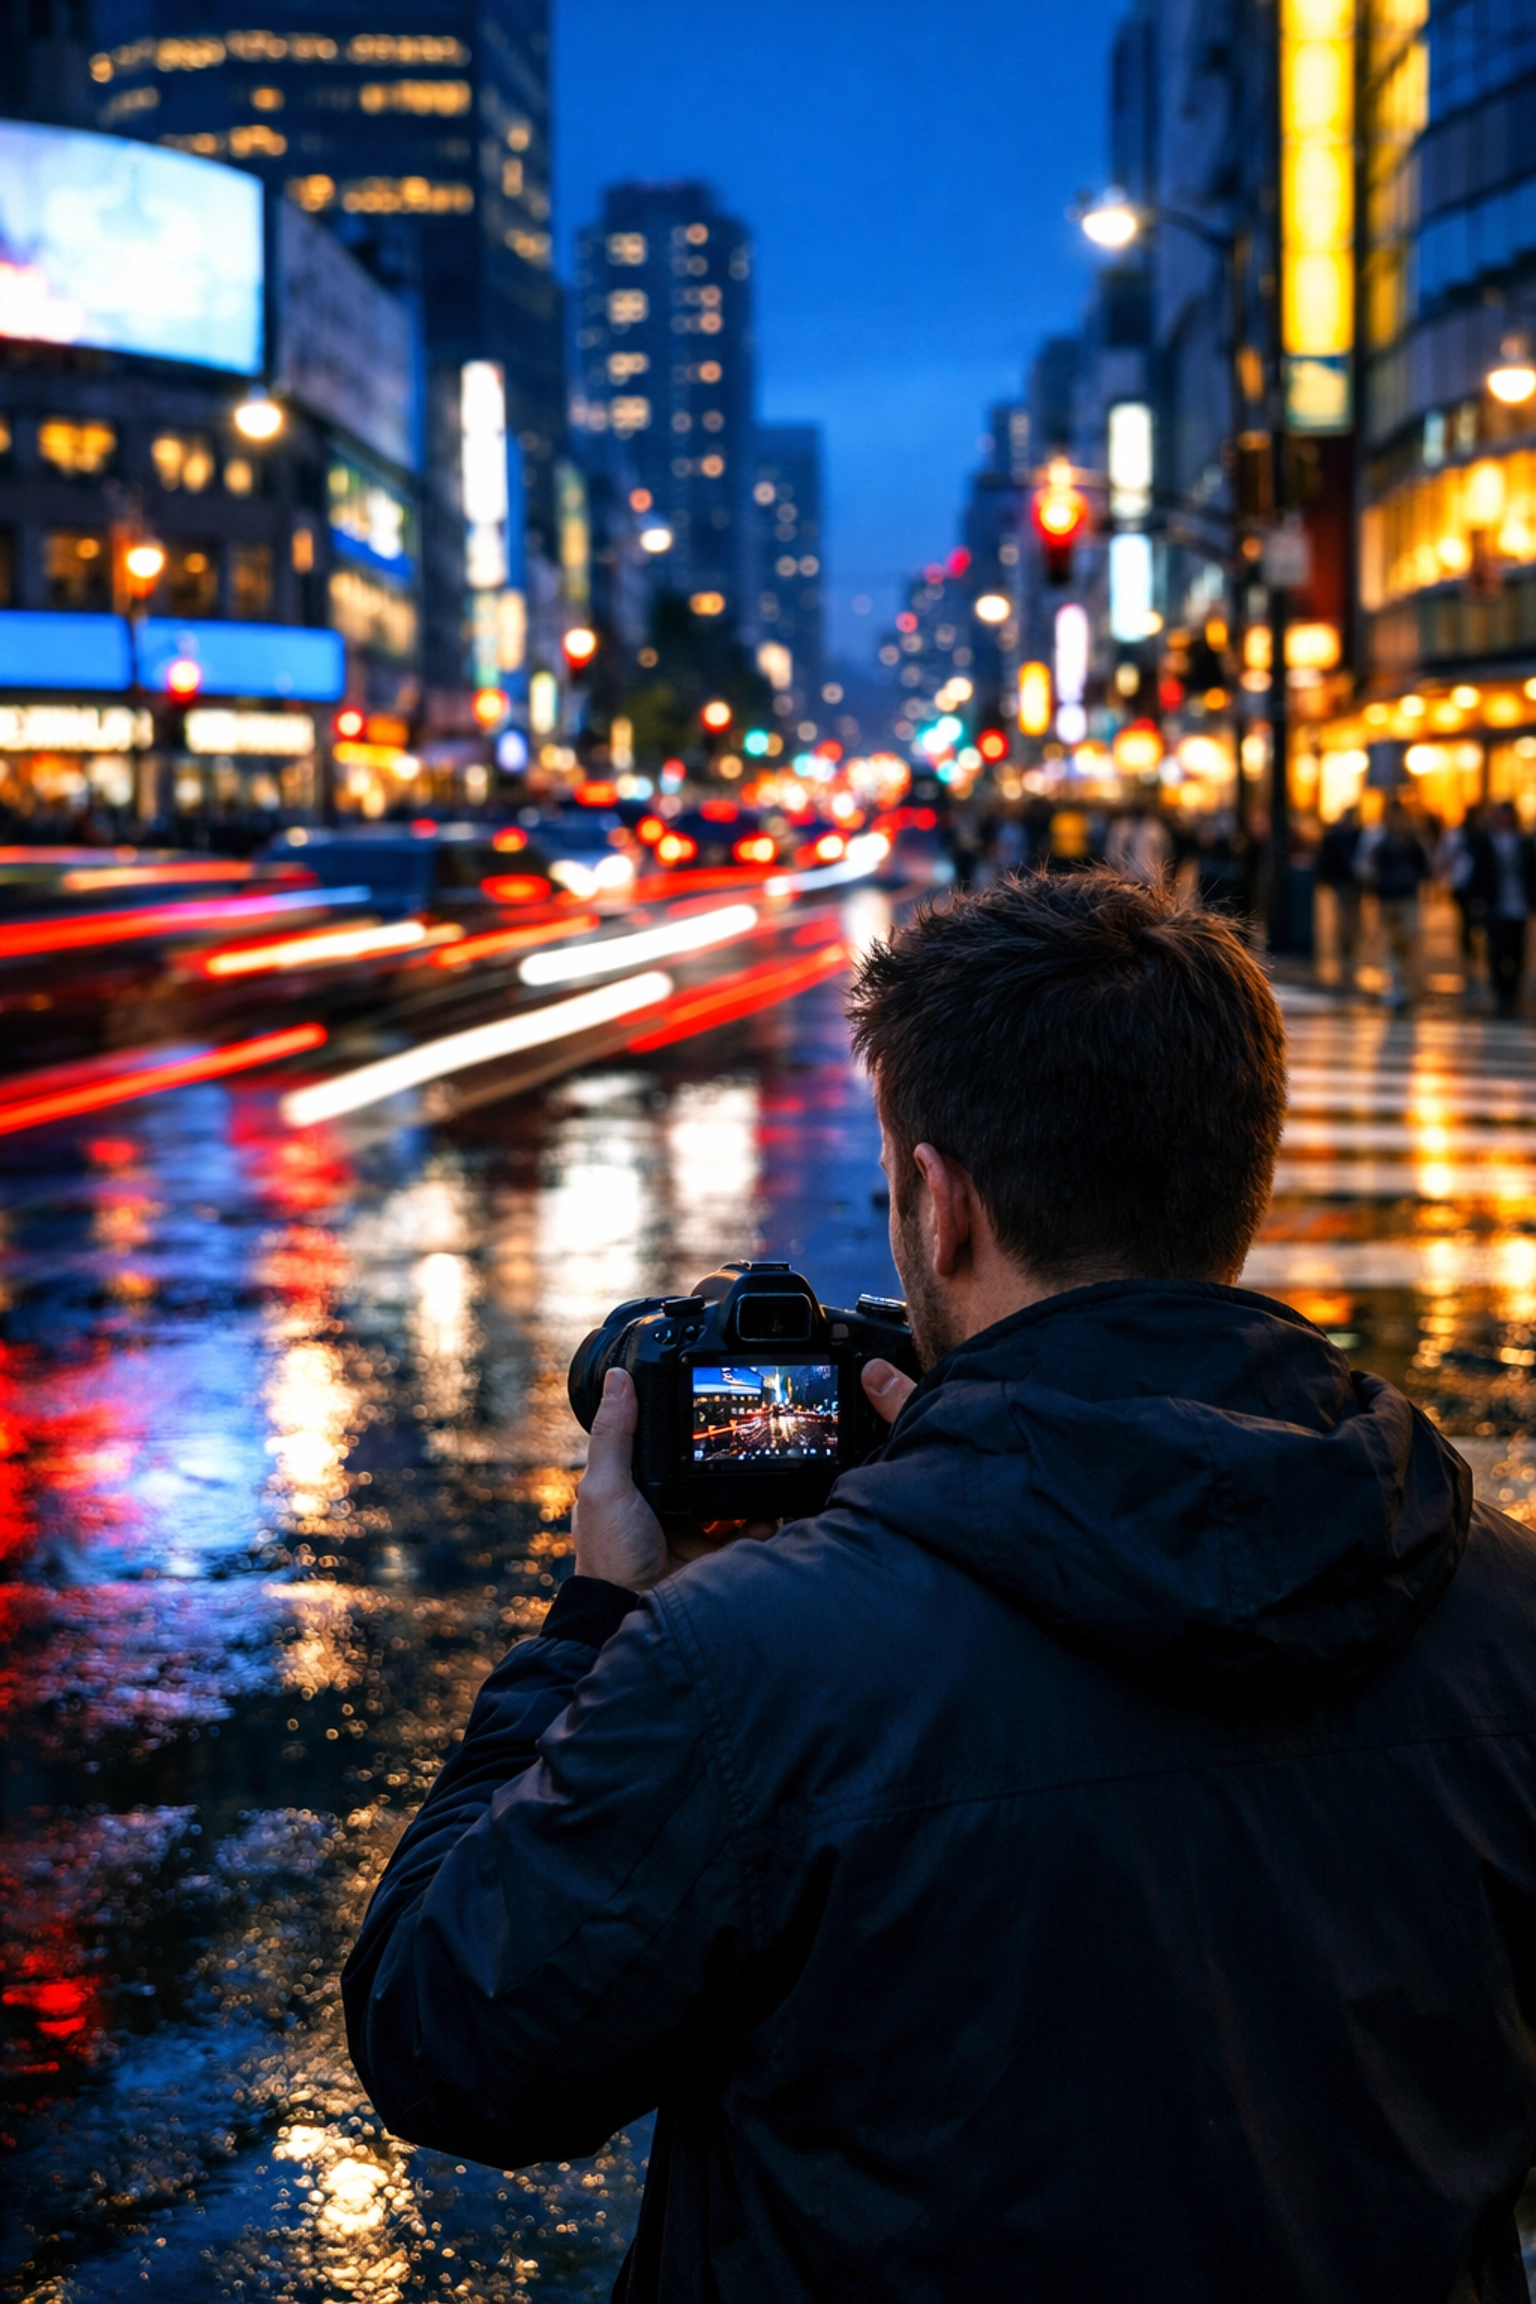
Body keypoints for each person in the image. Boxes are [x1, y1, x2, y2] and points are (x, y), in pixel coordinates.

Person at [343, 871, 1536, 2304]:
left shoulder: (741, 1661)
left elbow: (445, 2038)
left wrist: (596, 1626)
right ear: (1239, 1173)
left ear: (937, 1199)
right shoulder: (1506, 1606)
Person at [1355, 796, 1429, 1008]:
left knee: (1408, 942)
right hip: (1388, 897)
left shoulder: (1412, 838)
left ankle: (1406, 986)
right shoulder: (1378, 837)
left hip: (1406, 896)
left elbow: (1424, 866)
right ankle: (1395, 986)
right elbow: (1365, 866)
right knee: (1391, 944)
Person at [1469, 799, 1536, 1018]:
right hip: (1495, 905)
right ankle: (1501, 996)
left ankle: (1512, 996)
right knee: (1496, 951)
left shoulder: (1523, 842)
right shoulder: (1487, 841)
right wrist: (1478, 899)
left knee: (1517, 952)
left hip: (1518, 905)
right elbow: (1478, 872)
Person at [1313, 803, 1363, 988]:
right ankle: (1345, 949)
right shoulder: (1350, 835)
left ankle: (1348, 948)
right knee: (1346, 917)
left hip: (1350, 882)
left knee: (1350, 917)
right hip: (1344, 881)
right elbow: (1326, 857)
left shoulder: (1355, 835)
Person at [1105, 797, 1174, 884]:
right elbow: (1111, 855)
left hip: (1150, 879)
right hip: (1125, 878)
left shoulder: (1154, 828)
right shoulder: (1120, 828)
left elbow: (1165, 854)